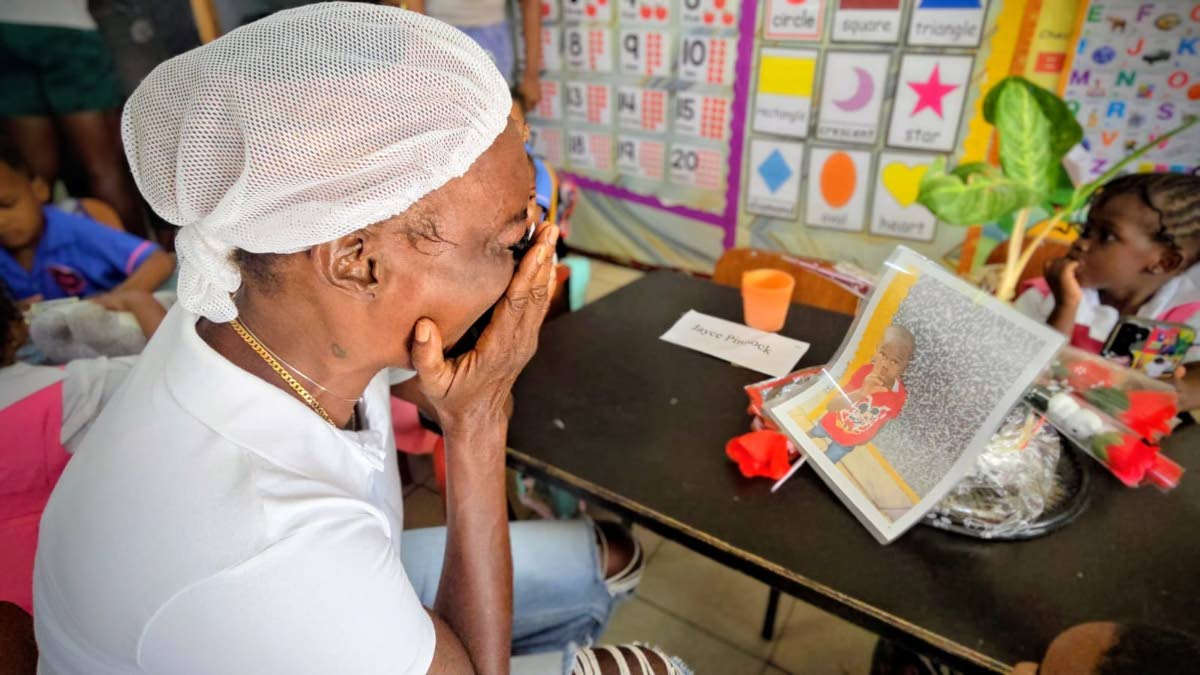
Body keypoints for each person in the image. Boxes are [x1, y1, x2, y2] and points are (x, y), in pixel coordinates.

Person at [33, 6, 685, 674]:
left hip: (310, 584)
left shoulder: (248, 302)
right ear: (357, 260)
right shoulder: (271, 546)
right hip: (285, 586)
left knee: (609, 556)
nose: (528, 270)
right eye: (511, 242)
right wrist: (479, 424)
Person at [0, 279, 138, 616]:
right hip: (72, 584)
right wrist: (141, 303)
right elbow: (177, 371)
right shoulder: (75, 388)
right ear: (18, 329)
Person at [1014, 172, 1200, 410]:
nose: (1081, 243)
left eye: (1107, 236)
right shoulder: (1046, 294)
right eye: (1086, 230)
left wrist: (1178, 392)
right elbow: (1026, 376)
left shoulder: (1186, 317)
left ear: (1164, 262)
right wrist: (1065, 306)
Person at [0, 0, 146, 234]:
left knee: (36, 177)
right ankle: (139, 258)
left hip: (7, 28)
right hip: (66, 25)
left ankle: (51, 266)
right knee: (102, 167)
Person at [0, 142, 174, 306]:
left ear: (39, 190)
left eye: (6, 205)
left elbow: (158, 261)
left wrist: (112, 301)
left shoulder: (73, 229)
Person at [399, 0, 543, 111]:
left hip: (492, 42)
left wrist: (531, 74)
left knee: (495, 126)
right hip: (436, 37)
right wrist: (420, 52)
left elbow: (531, 3)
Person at [814, 325, 915, 464]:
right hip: (828, 425)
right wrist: (862, 392)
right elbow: (832, 405)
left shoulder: (900, 396)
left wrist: (867, 438)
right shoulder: (864, 372)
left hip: (848, 442)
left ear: (905, 367)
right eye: (883, 354)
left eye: (895, 361)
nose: (885, 364)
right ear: (876, 351)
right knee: (802, 441)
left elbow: (884, 420)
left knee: (825, 464)